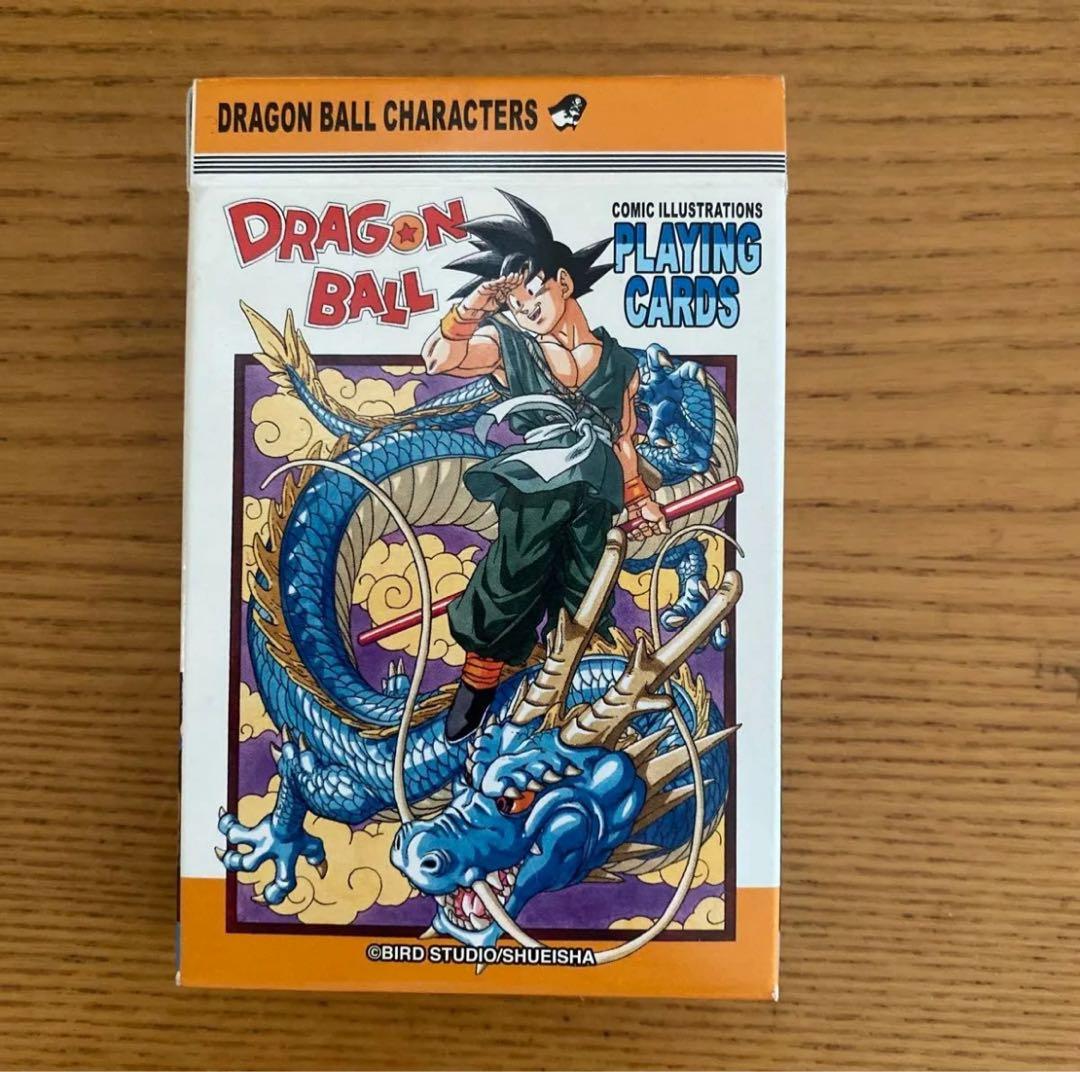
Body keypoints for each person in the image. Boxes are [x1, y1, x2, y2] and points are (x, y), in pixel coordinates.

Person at [420, 191, 667, 741]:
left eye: (530, 291)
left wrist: (639, 498)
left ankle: (567, 704)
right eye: (511, 303)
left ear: (563, 282)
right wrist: (475, 307)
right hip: (538, 487)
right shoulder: (509, 346)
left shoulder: (620, 363)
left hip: (597, 494)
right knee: (511, 580)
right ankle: (478, 687)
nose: (524, 308)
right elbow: (439, 358)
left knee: (586, 592)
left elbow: (624, 440)